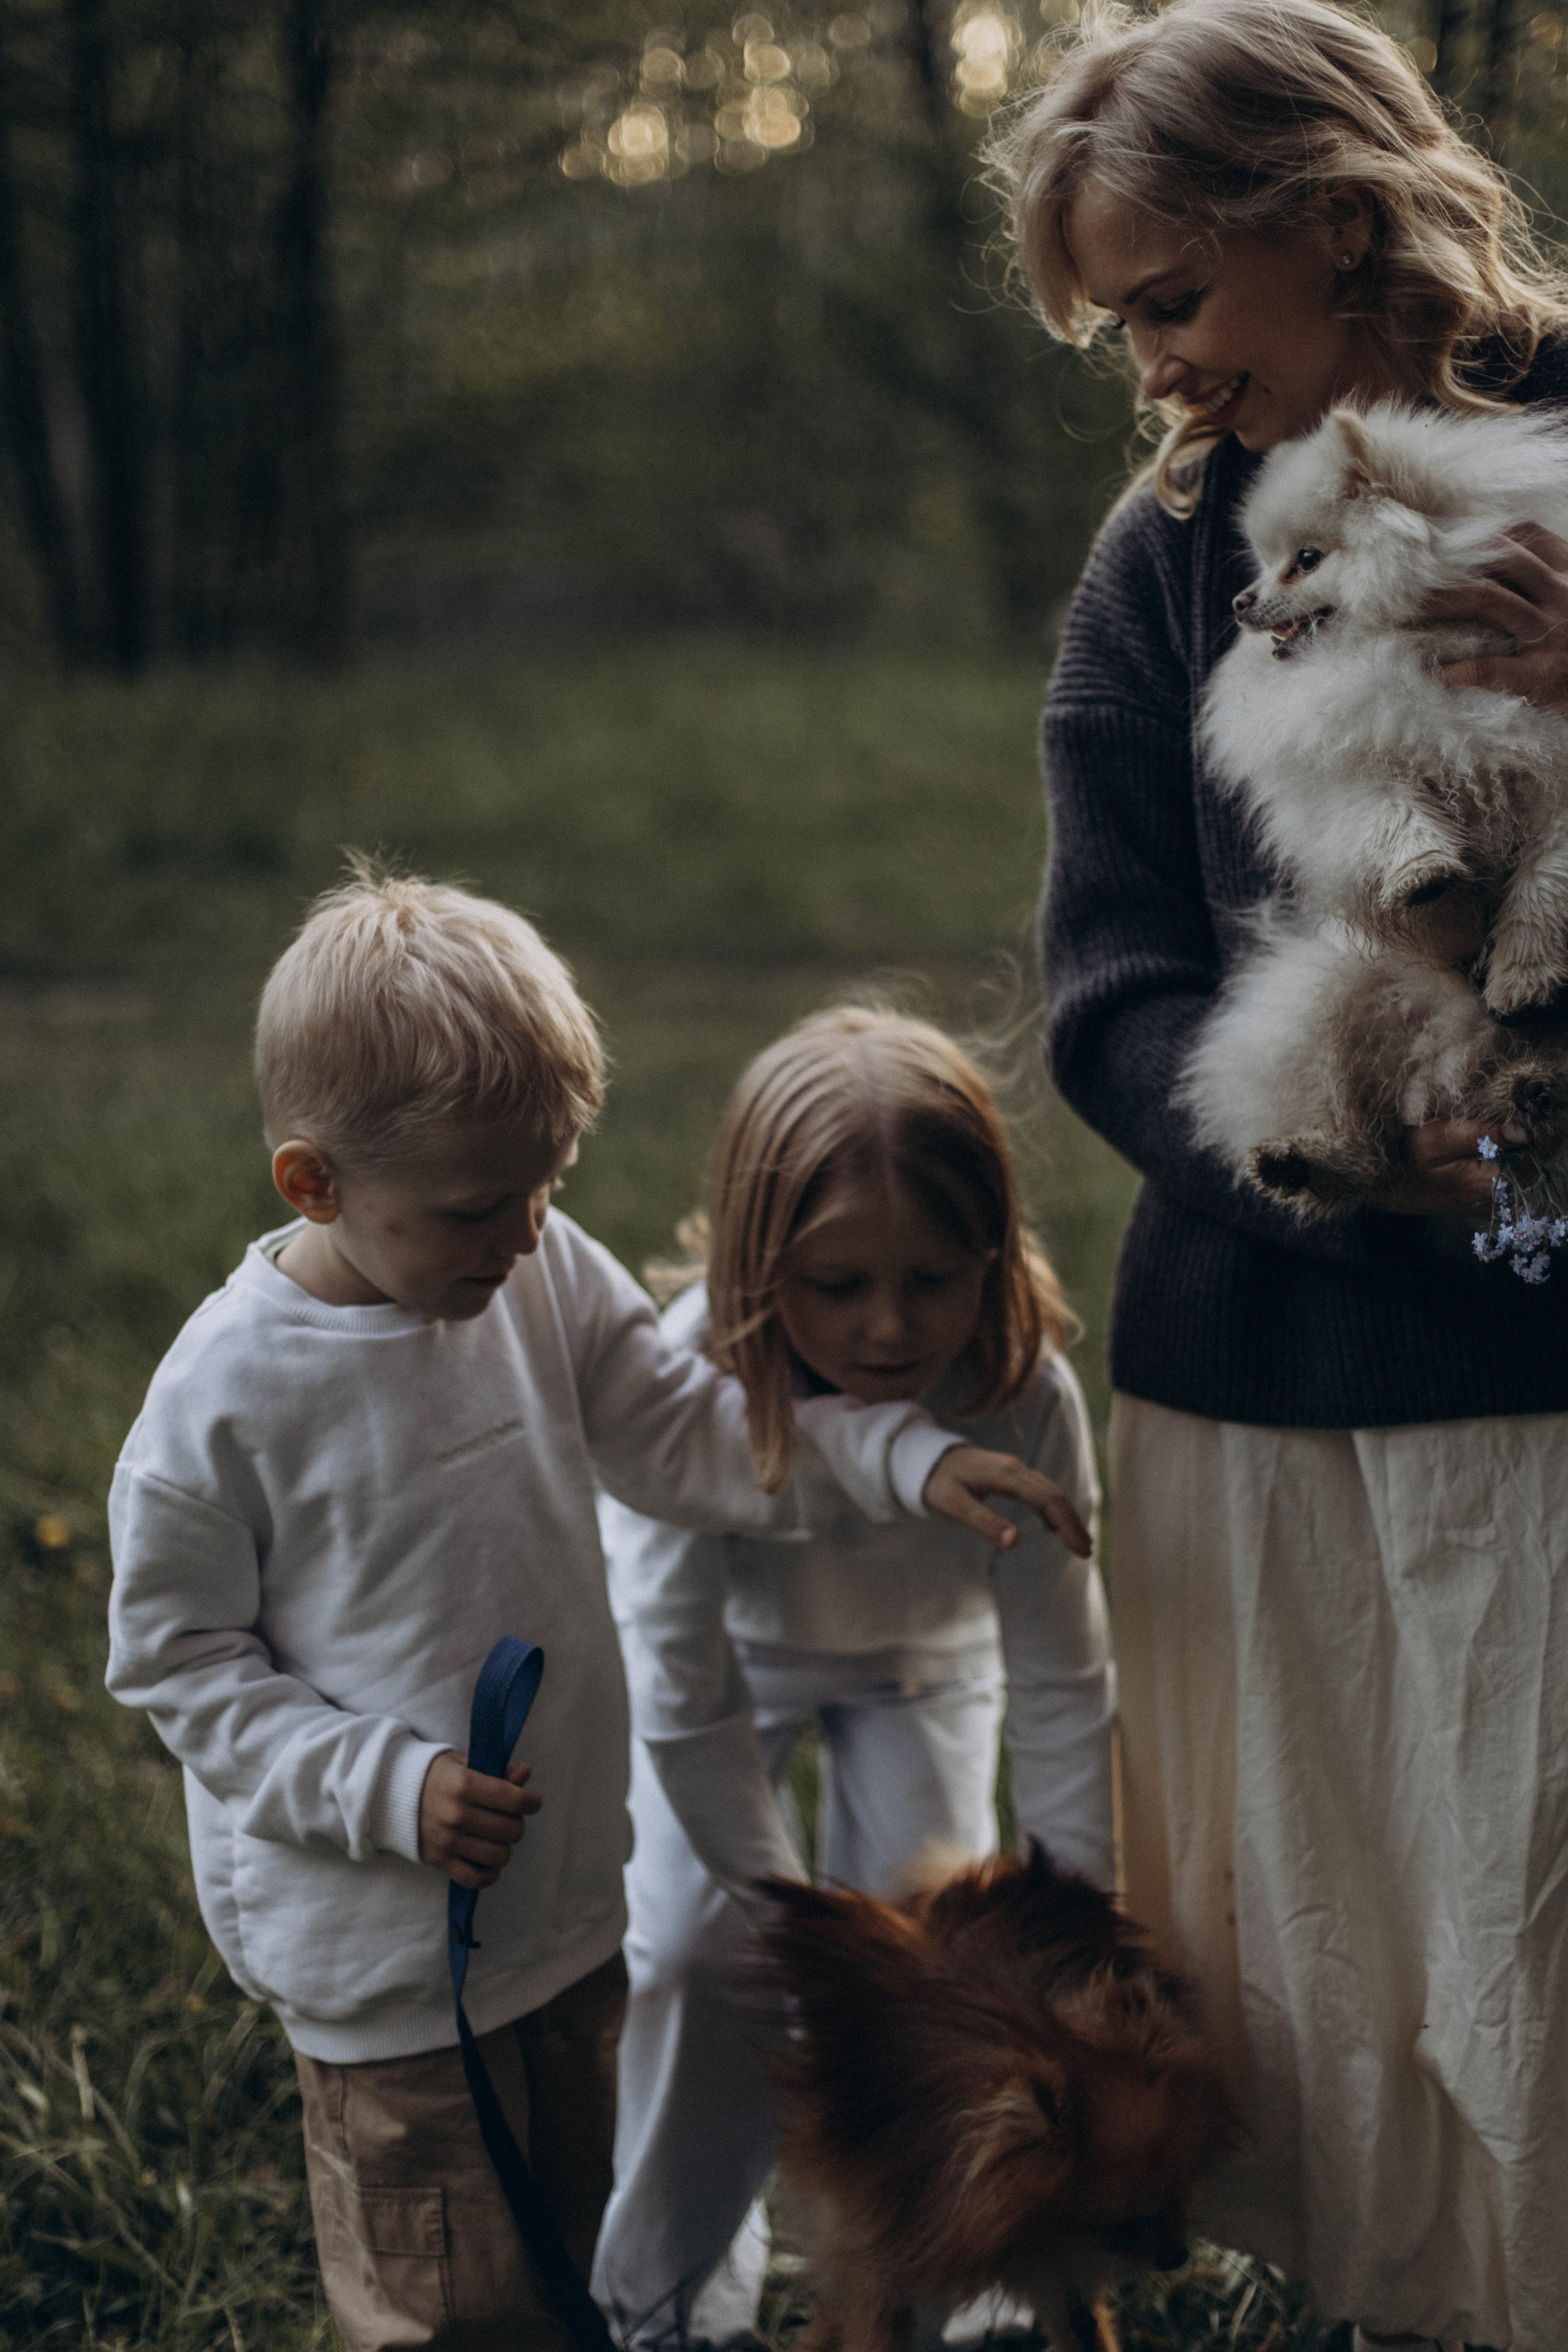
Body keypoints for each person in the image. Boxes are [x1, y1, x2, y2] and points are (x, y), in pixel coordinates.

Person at [103, 870, 1088, 2352]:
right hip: (391, 1956)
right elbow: (174, 1663)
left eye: (548, 1183)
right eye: (477, 1207)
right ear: (312, 1183)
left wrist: (902, 1455)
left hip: (564, 1913)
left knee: (567, 2238)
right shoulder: (228, 1400)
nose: (527, 1232)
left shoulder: (535, 1274)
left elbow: (696, 1441)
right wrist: (386, 1783)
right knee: (450, 2286)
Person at [990, 2, 1568, 2345]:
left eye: (1169, 301)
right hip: (1277, 1367)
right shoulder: (1163, 562)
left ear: (1332, 217)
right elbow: (1106, 977)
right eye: (1123, 322)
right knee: (1352, 1935)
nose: (1156, 367)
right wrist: (1313, 1166)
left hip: (1550, 1383)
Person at [590, 1006, 1114, 2349]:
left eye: (932, 1279)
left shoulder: (1019, 1387)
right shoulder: (688, 1374)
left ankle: (950, 2284)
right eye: (836, 1287)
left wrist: (1068, 1919)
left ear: (989, 1257)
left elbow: (1063, 1681)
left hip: (924, 1678)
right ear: (761, 1262)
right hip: (730, 1686)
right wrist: (778, 1913)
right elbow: (678, 1676)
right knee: (694, 1962)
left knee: (936, 1982)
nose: (888, 1329)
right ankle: (661, 2298)